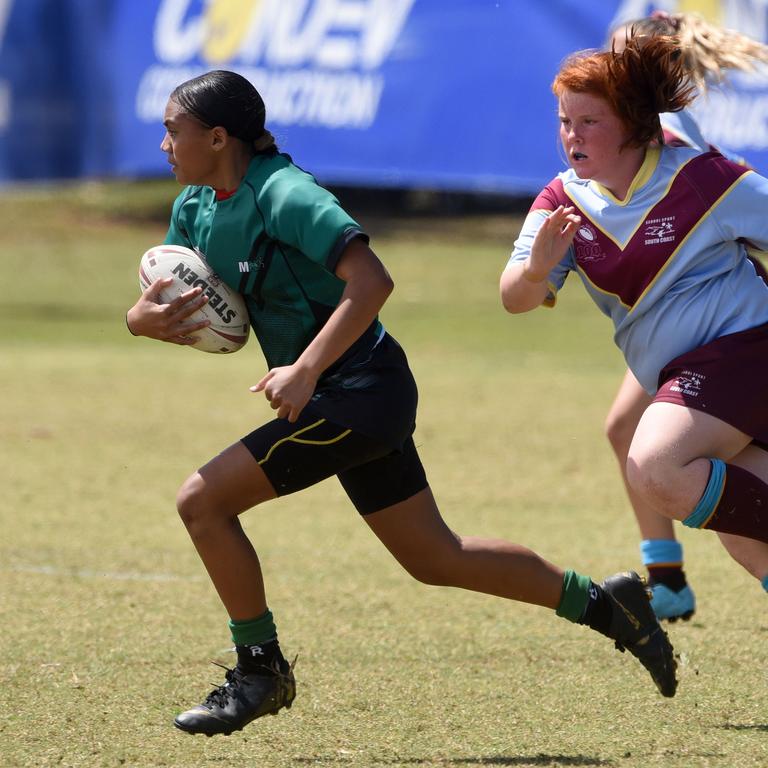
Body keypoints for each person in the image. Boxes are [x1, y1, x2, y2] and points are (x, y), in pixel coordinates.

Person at [126, 70, 677, 737]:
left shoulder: (286, 194)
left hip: (362, 390)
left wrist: (304, 369)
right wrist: (141, 320)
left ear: (217, 137)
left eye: (172, 130)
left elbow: (372, 281)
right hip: (337, 394)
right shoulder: (195, 206)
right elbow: (171, 297)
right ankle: (609, 604)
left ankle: (260, 671)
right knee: (435, 557)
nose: (163, 144)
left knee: (202, 502)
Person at [500, 35, 768, 636]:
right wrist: (537, 268)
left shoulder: (702, 178)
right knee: (745, 537)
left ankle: (664, 572)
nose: (572, 135)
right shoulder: (562, 200)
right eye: (564, 121)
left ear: (635, 124)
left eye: (589, 121)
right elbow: (513, 298)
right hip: (678, 373)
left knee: (654, 462)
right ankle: (668, 573)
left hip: (746, 349)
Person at [601, 11, 768, 622]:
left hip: (715, 321)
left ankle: (666, 578)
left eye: (617, 59)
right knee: (626, 429)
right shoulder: (630, 127)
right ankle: (666, 576)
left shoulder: (665, 131)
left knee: (646, 442)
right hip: (675, 319)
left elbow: (717, 212)